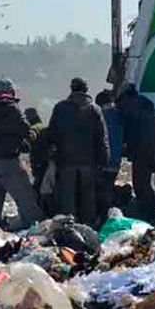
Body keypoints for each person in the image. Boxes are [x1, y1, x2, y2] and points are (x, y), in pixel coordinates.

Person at [0, 79, 44, 230]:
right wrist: (36, 129)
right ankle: (35, 226)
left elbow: (1, 132)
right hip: (8, 161)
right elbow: (27, 132)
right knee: (26, 197)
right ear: (12, 93)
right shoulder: (14, 110)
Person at [47, 77, 108, 227]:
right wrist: (104, 159)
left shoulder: (60, 108)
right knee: (88, 197)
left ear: (71, 89)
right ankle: (88, 227)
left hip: (66, 161)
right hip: (89, 161)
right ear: (86, 89)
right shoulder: (94, 109)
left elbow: (52, 134)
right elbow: (102, 137)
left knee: (68, 197)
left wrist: (52, 155)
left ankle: (69, 228)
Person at [118, 84, 155, 224]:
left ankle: (154, 213)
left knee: (140, 184)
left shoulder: (128, 105)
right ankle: (153, 211)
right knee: (144, 182)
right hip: (152, 147)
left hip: (140, 149)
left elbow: (128, 128)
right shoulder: (145, 103)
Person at [95, 89, 123, 219]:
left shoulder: (101, 117)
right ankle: (109, 214)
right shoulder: (119, 115)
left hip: (103, 161)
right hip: (116, 161)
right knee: (108, 189)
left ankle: (103, 217)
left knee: (101, 193)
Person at [25, 107, 53, 210]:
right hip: (47, 161)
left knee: (38, 188)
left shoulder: (33, 129)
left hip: (38, 162)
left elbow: (30, 139)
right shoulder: (43, 127)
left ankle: (39, 209)